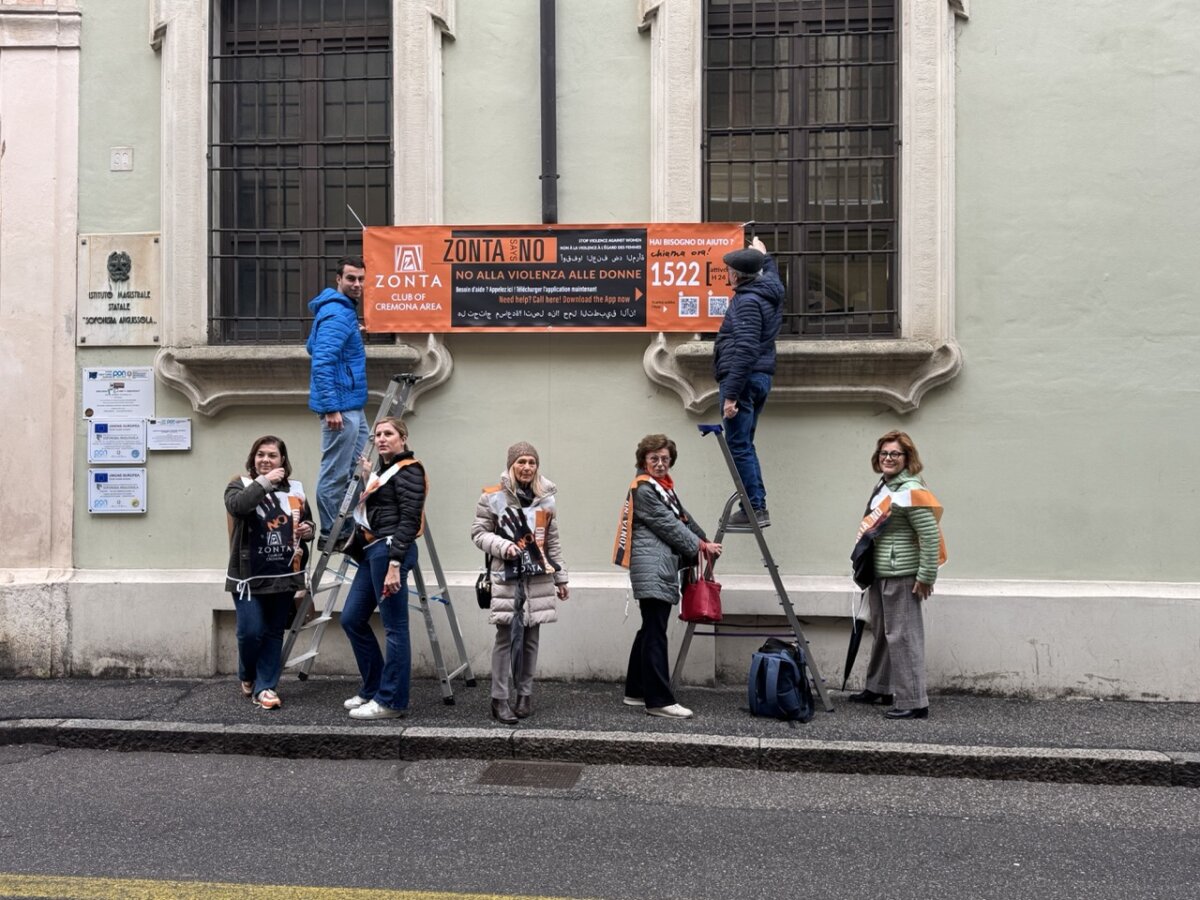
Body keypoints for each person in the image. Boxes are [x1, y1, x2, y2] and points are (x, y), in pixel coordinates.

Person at [614, 434, 722, 719]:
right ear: (644, 461)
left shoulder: (662, 489)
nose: (661, 463)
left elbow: (682, 518)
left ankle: (636, 690)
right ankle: (659, 700)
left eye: (665, 459)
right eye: (654, 459)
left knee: (649, 628)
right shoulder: (645, 489)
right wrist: (700, 547)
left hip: (657, 567)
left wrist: (704, 541)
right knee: (655, 632)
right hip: (653, 568)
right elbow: (668, 525)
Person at [849, 431, 946, 720]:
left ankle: (914, 701)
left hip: (902, 574)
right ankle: (879, 687)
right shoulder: (885, 486)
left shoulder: (910, 489)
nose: (888, 458)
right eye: (884, 453)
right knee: (882, 633)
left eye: (895, 454)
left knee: (903, 637)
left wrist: (926, 576)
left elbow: (929, 535)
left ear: (907, 458)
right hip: (881, 572)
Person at [471, 442, 569, 725]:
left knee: (531, 638)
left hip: (538, 576)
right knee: (505, 638)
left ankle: (524, 694)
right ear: (511, 465)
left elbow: (552, 542)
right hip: (507, 575)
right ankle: (499, 699)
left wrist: (561, 577)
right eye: (521, 462)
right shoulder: (493, 497)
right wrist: (503, 546)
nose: (527, 467)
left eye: (531, 462)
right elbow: (478, 533)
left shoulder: (546, 498)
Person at [340, 416, 426, 720]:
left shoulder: (410, 469)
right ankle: (374, 688)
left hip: (390, 552)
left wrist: (394, 563)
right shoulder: (386, 471)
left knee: (395, 627)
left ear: (403, 438)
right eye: (377, 435)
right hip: (372, 550)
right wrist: (369, 478)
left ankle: (391, 701)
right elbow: (383, 508)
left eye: (388, 433)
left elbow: (409, 520)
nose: (381, 439)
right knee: (351, 619)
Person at [224, 436, 314, 710]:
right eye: (260, 454)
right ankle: (247, 674)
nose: (265, 459)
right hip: (248, 575)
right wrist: (265, 482)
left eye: (272, 455)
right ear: (253, 459)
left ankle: (266, 688)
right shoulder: (239, 484)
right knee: (250, 632)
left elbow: (307, 521)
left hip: (284, 573)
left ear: (282, 460)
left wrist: (308, 530)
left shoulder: (296, 489)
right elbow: (239, 507)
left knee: (274, 632)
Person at [713, 235, 784, 528]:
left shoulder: (747, 302)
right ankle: (755, 505)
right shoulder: (768, 290)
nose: (727, 274)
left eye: (728, 271)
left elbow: (745, 348)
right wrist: (764, 256)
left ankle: (754, 507)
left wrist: (731, 395)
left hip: (743, 380)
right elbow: (775, 277)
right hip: (760, 377)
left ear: (736, 275)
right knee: (745, 444)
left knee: (738, 445)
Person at [306, 255, 369, 548]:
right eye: (351, 278)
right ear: (339, 280)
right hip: (341, 407)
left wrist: (352, 334)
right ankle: (331, 532)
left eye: (361, 279)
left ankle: (347, 526)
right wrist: (331, 408)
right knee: (335, 472)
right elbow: (321, 362)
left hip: (351, 403)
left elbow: (312, 345)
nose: (357, 284)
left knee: (357, 469)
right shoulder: (338, 313)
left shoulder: (341, 312)